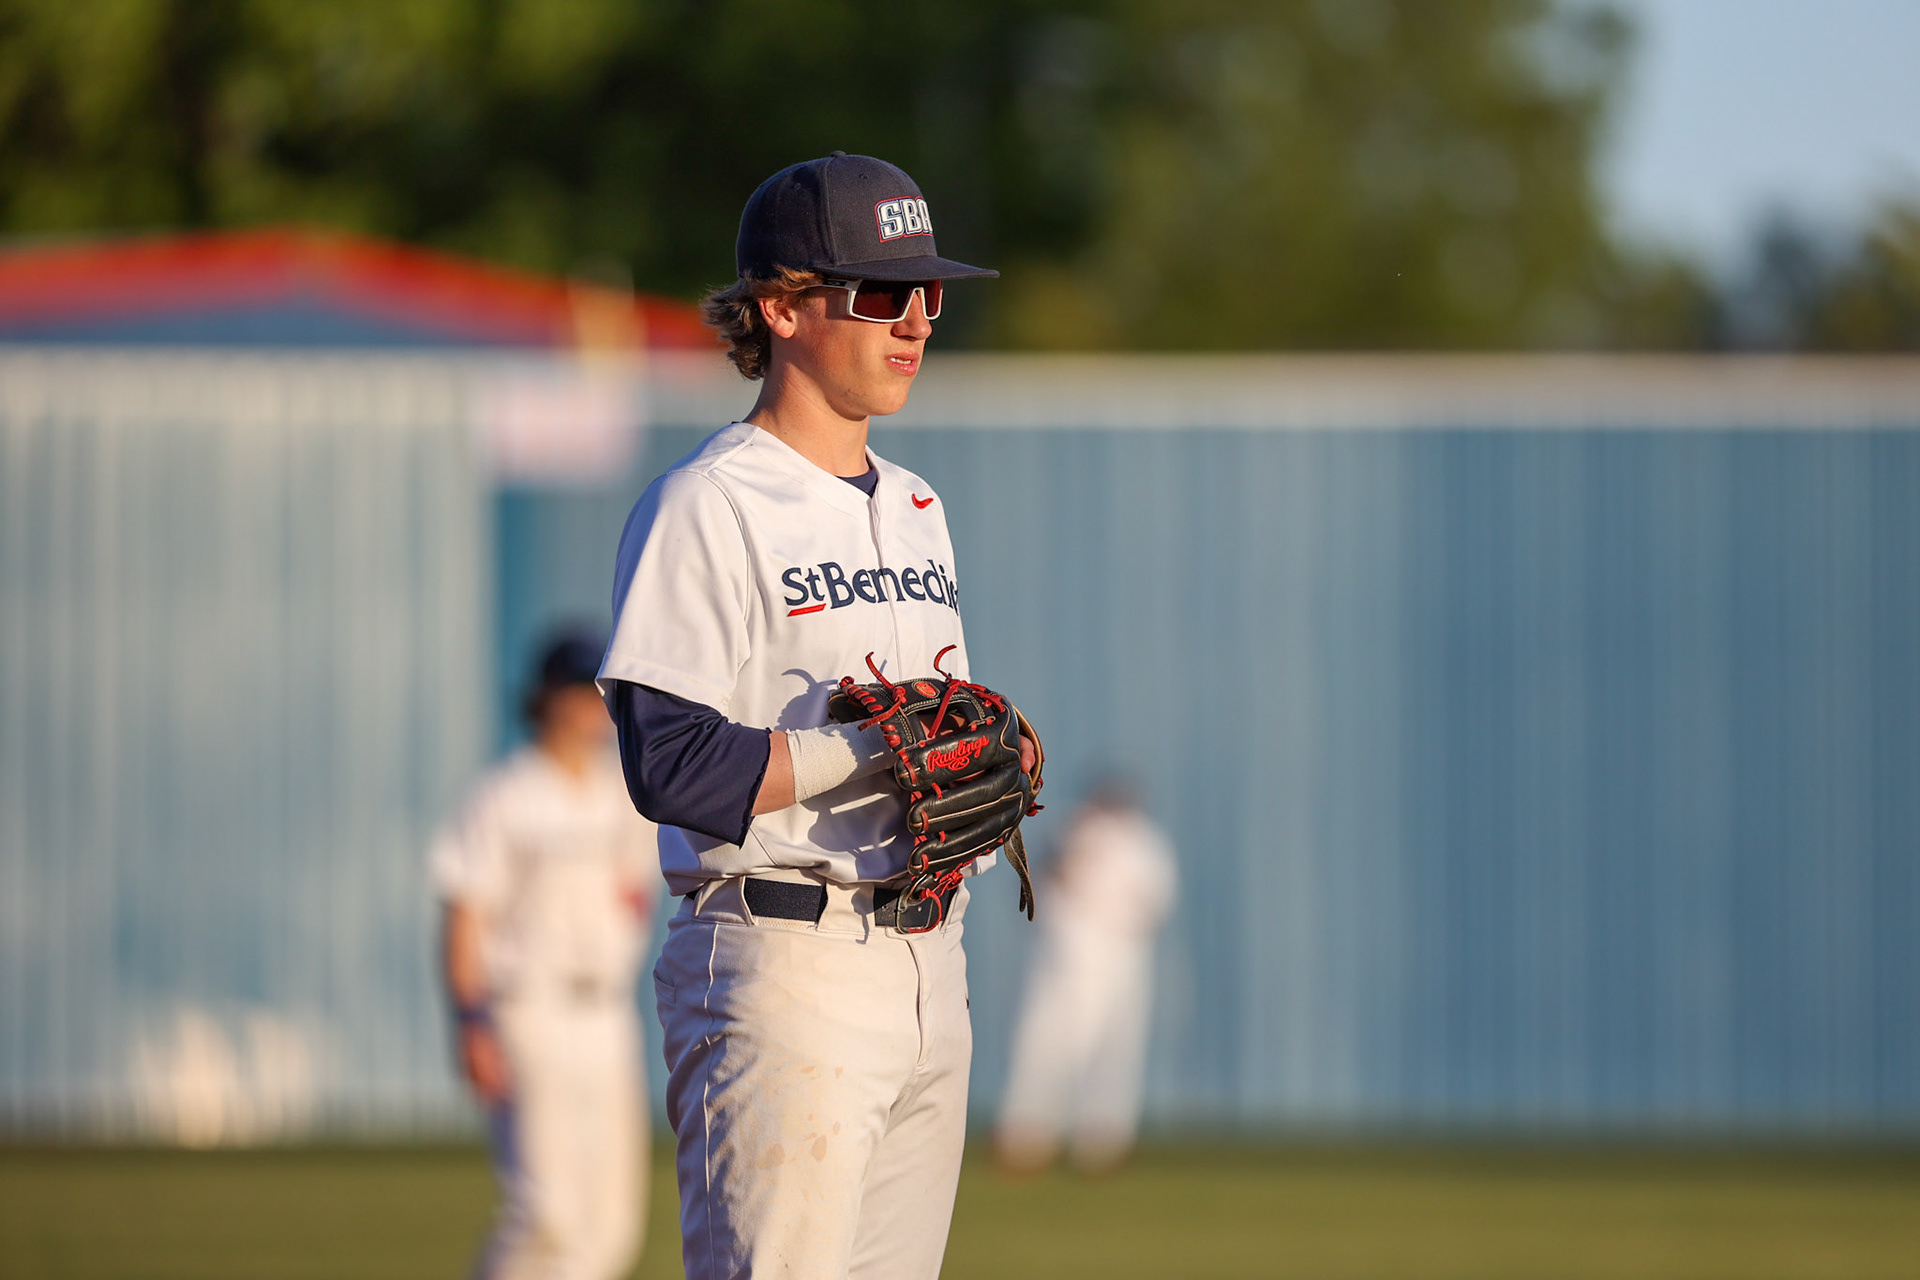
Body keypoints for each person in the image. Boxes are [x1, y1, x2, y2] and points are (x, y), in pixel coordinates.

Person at [597, 151, 1031, 1280]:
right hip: (784, 959)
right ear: (782, 307)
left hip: (931, 956)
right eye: (881, 293)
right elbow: (672, 763)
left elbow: (937, 731)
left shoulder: (921, 506)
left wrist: (993, 757)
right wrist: (871, 751)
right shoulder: (710, 501)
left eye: (929, 294)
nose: (916, 322)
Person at [431, 630, 661, 1280]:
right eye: (579, 690)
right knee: (547, 1214)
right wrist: (471, 1022)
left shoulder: (625, 792)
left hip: (607, 1011)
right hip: (530, 1007)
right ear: (546, 698)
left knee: (611, 1225)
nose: (593, 706)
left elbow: (637, 892)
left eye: (600, 691)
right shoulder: (506, 795)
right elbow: (465, 916)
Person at [994, 781, 1177, 1174]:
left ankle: (1101, 1141)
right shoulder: (1074, 831)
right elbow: (1047, 888)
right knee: (1047, 1046)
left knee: (1114, 1053)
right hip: (1068, 961)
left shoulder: (1142, 842)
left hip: (1121, 961)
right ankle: (1027, 1136)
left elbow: (1153, 905)